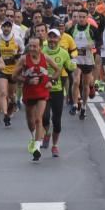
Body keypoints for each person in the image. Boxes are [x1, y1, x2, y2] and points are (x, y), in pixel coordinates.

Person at [13, 36, 51, 162]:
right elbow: (14, 76)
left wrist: (51, 81)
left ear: (40, 47)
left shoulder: (45, 58)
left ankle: (37, 146)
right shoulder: (24, 59)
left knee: (38, 119)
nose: (32, 48)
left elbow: (57, 70)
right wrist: (28, 80)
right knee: (30, 120)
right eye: (30, 46)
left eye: (35, 46)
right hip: (29, 92)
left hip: (42, 92)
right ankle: (33, 136)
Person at [40, 26, 75, 156]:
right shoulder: (42, 51)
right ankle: (46, 134)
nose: (52, 40)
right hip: (43, 90)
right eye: (50, 37)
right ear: (47, 38)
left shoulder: (64, 53)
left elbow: (70, 71)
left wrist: (71, 95)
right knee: (44, 117)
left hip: (57, 90)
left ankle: (55, 145)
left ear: (59, 39)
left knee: (57, 121)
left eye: (54, 37)